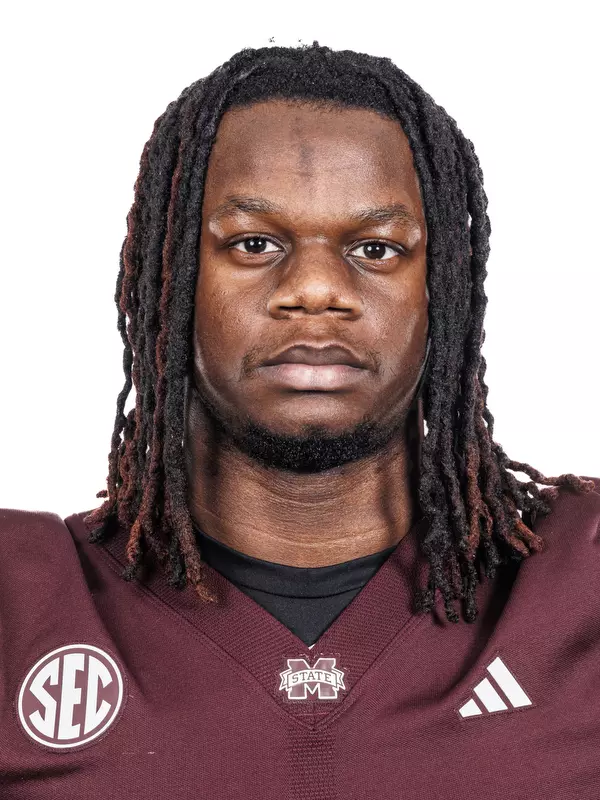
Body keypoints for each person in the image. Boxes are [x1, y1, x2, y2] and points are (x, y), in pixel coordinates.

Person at [1, 41, 598, 799]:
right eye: (255, 244)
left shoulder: (581, 580)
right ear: (171, 276)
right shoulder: (21, 601)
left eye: (376, 249)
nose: (315, 289)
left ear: (443, 290)